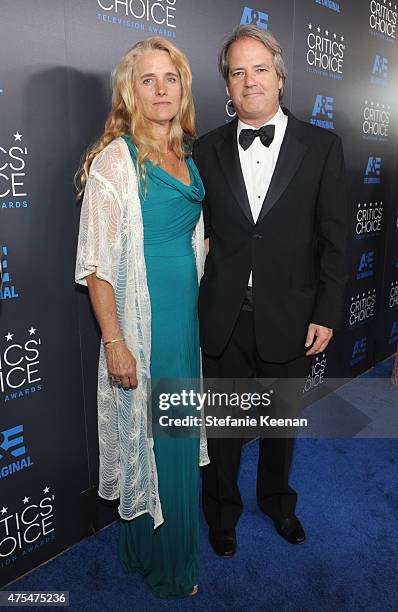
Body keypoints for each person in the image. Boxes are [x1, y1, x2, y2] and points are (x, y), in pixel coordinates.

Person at [193, 24, 348, 557]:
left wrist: (327, 311)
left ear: (280, 78)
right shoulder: (204, 149)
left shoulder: (323, 146)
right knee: (225, 427)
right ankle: (221, 514)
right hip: (224, 314)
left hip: (291, 311)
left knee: (281, 426)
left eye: (260, 69)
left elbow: (335, 240)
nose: (249, 80)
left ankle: (280, 504)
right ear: (228, 86)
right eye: (237, 72)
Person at [75, 37, 209, 598]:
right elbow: (97, 264)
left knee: (173, 438)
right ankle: (168, 567)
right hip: (143, 327)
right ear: (131, 91)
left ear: (183, 87)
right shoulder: (115, 160)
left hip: (185, 320)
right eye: (148, 80)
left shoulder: (189, 154)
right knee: (153, 439)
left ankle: (150, 550)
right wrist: (115, 340)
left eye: (170, 78)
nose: (160, 90)